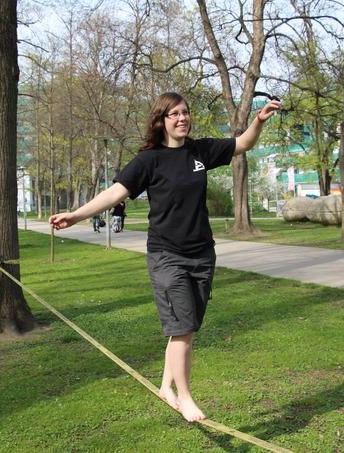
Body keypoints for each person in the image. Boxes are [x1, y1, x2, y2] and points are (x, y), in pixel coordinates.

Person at [49, 92, 281, 422]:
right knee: (183, 327)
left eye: (185, 112)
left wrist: (258, 121)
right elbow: (115, 192)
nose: (182, 118)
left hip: (202, 254)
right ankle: (185, 398)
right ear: (162, 120)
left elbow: (243, 143)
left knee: (184, 327)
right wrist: (76, 216)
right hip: (166, 255)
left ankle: (166, 385)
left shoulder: (199, 151)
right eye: (174, 114)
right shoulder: (149, 161)